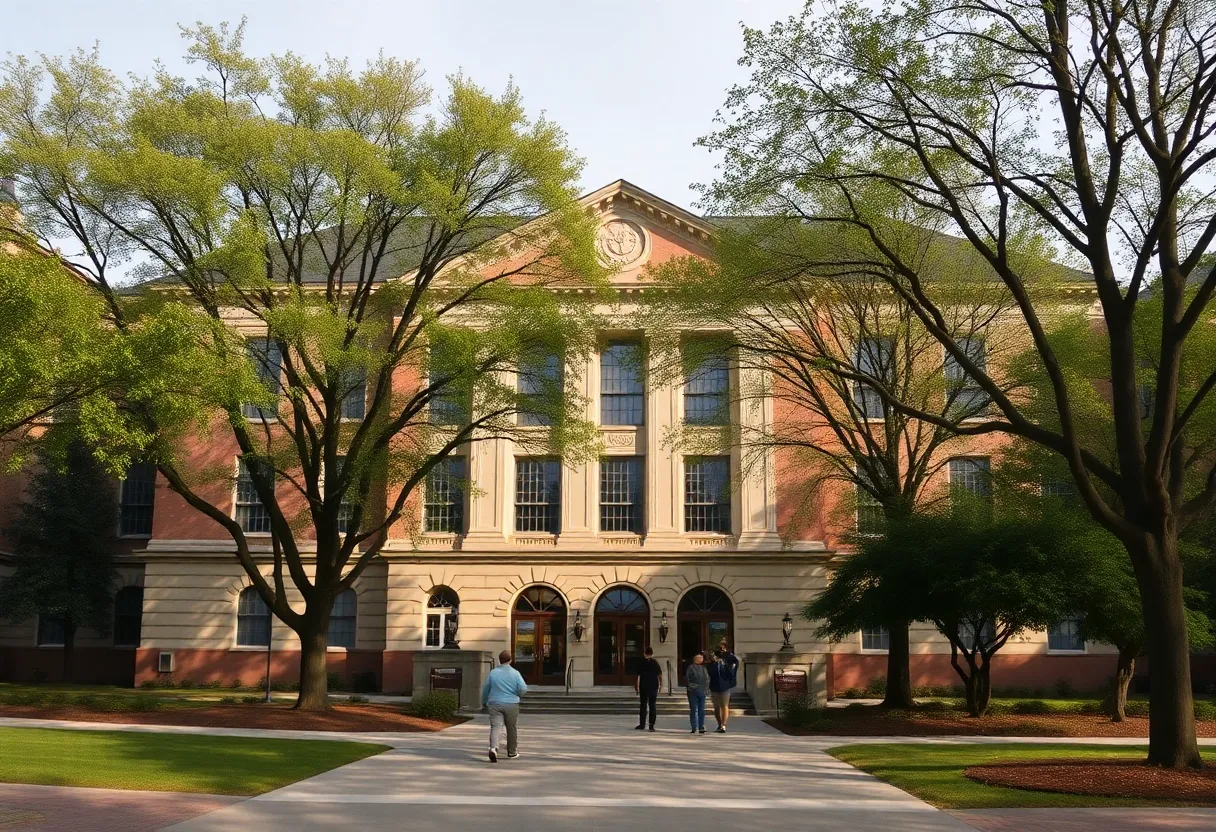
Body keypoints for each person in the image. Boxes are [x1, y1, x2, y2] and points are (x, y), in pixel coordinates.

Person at [481, 649, 528, 763]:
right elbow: (523, 689)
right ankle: (512, 752)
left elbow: (486, 688)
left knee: (496, 727)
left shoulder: (493, 673)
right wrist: (518, 694)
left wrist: (484, 701)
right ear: (510, 660)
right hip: (511, 703)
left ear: (499, 661)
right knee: (511, 727)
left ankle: (493, 748)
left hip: (495, 703)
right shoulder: (515, 673)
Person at [708, 641, 740, 733]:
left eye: (722, 647)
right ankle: (719, 724)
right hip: (714, 687)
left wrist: (730, 679)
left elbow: (732, 670)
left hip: (725, 687)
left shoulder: (727, 661)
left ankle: (723, 725)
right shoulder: (711, 664)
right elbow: (709, 674)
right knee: (716, 707)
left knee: (725, 705)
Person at [635, 646, 662, 731]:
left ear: (644, 653)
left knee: (643, 705)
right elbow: (659, 675)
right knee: (652, 705)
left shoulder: (641, 662)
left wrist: (637, 687)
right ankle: (651, 725)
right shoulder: (655, 663)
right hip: (653, 685)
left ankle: (642, 724)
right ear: (652, 653)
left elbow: (638, 676)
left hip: (644, 685)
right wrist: (660, 685)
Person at [685, 652, 709, 734]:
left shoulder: (702, 668)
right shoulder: (693, 668)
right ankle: (697, 726)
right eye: (700, 658)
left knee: (698, 709)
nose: (701, 659)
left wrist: (705, 689)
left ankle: (698, 726)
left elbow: (707, 680)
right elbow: (688, 679)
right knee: (697, 709)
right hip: (696, 691)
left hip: (698, 691)